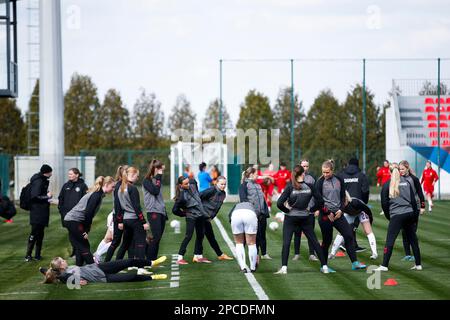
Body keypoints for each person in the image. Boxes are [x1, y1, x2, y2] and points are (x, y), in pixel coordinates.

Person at [275, 165, 334, 274]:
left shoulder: (290, 186)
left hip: (291, 218)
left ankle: (284, 268)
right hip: (306, 217)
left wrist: (287, 211)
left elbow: (279, 203)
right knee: (314, 242)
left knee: (286, 242)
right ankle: (324, 266)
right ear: (303, 174)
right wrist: (311, 209)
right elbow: (321, 202)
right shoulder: (310, 186)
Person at [315, 160, 366, 271]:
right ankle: (324, 266)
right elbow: (318, 201)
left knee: (348, 235)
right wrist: (327, 213)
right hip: (325, 216)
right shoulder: (319, 182)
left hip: (338, 214)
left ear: (332, 170)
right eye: (323, 172)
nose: (325, 175)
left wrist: (341, 210)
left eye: (327, 172)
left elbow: (343, 197)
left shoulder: (339, 179)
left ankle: (355, 263)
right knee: (327, 241)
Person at [375, 165, 423, 272]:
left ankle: (384, 265)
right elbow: (414, 201)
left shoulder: (387, 184)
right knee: (413, 240)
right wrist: (414, 215)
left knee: (390, 241)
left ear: (389, 172)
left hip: (397, 215)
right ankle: (418, 264)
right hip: (409, 214)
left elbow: (384, 203)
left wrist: (389, 216)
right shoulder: (407, 183)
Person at [64, 176, 115, 266]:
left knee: (80, 245)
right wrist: (85, 230)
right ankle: (93, 267)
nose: (113, 189)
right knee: (84, 245)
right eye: (112, 186)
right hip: (74, 221)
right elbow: (88, 214)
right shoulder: (96, 195)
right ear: (106, 185)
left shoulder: (98, 194)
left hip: (72, 220)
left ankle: (79, 268)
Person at [41, 255, 167, 284]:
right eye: (63, 260)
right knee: (131, 277)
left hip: (99, 267)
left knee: (129, 261)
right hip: (102, 277)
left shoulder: (63, 269)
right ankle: (153, 277)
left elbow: (51, 270)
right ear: (61, 266)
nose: (65, 260)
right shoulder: (64, 275)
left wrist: (43, 269)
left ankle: (152, 262)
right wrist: (78, 282)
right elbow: (63, 277)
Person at [116, 167, 150, 274]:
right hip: (134, 220)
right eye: (137, 175)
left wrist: (120, 220)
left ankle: (116, 267)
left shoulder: (121, 187)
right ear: (132, 175)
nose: (138, 177)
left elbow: (119, 207)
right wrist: (144, 222)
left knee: (125, 243)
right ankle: (141, 268)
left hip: (126, 220)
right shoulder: (132, 188)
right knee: (140, 243)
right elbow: (136, 207)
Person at [329, 191, 377, 260]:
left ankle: (374, 253)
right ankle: (332, 253)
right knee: (341, 232)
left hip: (361, 212)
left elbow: (367, 210)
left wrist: (370, 220)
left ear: (346, 198)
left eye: (343, 199)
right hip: (350, 214)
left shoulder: (355, 203)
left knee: (368, 231)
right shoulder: (339, 204)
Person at [173, 176, 210, 264]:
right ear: (180, 185)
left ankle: (198, 256)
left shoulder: (193, 184)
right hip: (191, 217)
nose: (188, 185)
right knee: (188, 236)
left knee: (200, 235)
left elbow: (198, 196)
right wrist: (184, 214)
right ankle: (179, 257)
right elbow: (174, 210)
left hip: (200, 215)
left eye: (188, 182)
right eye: (186, 184)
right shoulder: (181, 197)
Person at [337, 158, 370, 253]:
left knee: (350, 224)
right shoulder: (361, 175)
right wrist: (364, 202)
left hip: (345, 204)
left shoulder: (341, 175)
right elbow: (365, 190)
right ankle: (345, 244)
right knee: (350, 225)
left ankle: (353, 244)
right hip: (357, 204)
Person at [198, 176, 234, 261]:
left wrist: (211, 217)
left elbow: (217, 208)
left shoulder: (223, 194)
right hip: (201, 216)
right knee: (200, 236)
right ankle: (197, 256)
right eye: (221, 184)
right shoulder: (211, 190)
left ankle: (220, 255)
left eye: (224, 184)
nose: (223, 186)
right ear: (216, 183)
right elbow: (198, 197)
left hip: (207, 218)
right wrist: (201, 211)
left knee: (211, 237)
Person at [239, 167, 271, 260]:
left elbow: (262, 199)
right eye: (256, 174)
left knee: (262, 235)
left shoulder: (258, 185)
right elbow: (243, 200)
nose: (258, 175)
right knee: (250, 236)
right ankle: (244, 255)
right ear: (251, 174)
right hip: (252, 215)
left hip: (262, 215)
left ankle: (264, 254)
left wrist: (265, 212)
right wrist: (251, 212)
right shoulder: (244, 185)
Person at [25, 164, 53, 262]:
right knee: (35, 232)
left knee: (40, 233)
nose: (51, 174)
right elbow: (35, 196)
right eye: (50, 172)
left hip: (41, 211)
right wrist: (47, 197)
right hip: (37, 212)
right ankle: (28, 255)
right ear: (47, 172)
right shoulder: (39, 181)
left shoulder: (41, 180)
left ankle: (37, 255)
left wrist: (46, 196)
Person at [58, 168, 88, 257]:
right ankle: (75, 251)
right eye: (69, 174)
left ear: (77, 175)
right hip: (67, 215)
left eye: (71, 174)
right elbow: (61, 198)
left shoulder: (82, 186)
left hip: (77, 216)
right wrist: (61, 210)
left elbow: (86, 200)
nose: (69, 175)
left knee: (77, 233)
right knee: (71, 233)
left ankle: (79, 251)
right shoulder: (66, 186)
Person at [398, 160, 425, 262]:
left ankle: (415, 255)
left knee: (412, 232)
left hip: (414, 209)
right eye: (400, 169)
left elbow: (420, 193)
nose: (401, 171)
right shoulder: (398, 179)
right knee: (404, 232)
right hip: (402, 209)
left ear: (407, 168)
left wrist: (422, 206)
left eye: (403, 169)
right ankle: (408, 254)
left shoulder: (414, 179)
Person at [293, 159, 319, 262]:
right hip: (297, 211)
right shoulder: (294, 179)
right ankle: (296, 254)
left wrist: (316, 209)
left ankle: (312, 254)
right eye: (303, 166)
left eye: (307, 166)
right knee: (297, 233)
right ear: (300, 166)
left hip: (310, 211)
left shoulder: (312, 179)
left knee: (310, 233)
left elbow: (317, 195)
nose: (305, 168)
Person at [143, 159, 168, 260]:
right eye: (158, 168)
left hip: (160, 211)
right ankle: (148, 260)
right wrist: (158, 177)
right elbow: (155, 191)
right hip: (153, 211)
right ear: (153, 168)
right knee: (156, 237)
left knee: (158, 238)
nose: (161, 171)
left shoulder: (158, 179)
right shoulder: (147, 180)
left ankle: (153, 259)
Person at [104, 165, 128, 262]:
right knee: (115, 242)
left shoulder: (125, 184)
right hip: (119, 217)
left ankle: (119, 263)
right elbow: (118, 206)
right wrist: (120, 221)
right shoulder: (119, 186)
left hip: (126, 217)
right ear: (124, 173)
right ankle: (106, 263)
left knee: (126, 242)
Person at [229, 202, 259, 272]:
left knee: (239, 243)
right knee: (252, 243)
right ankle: (253, 267)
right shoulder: (254, 206)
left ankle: (243, 268)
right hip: (250, 215)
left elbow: (230, 216)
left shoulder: (236, 205)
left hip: (236, 215)